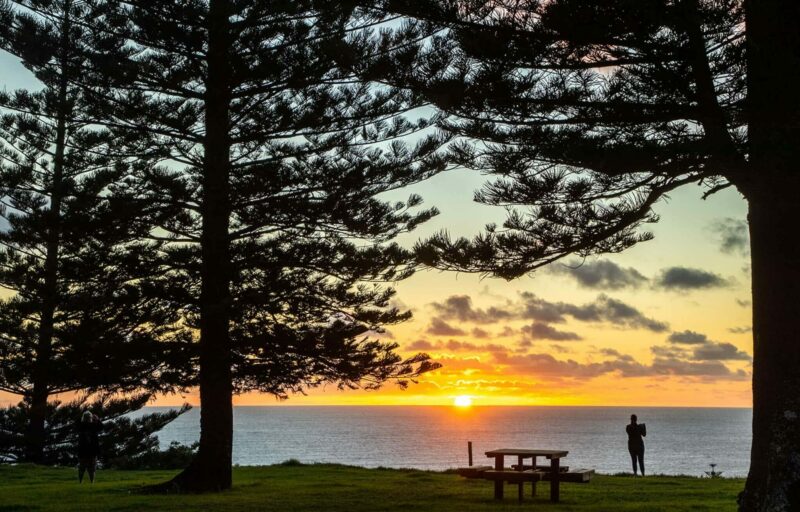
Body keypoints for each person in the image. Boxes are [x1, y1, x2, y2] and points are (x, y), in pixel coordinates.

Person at [77, 411, 102, 483]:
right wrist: (97, 419)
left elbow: (77, 425)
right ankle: (92, 482)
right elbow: (101, 427)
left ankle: (80, 481)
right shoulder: (94, 426)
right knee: (92, 468)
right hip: (92, 451)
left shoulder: (81, 426)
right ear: (91, 418)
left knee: (82, 467)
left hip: (82, 450)